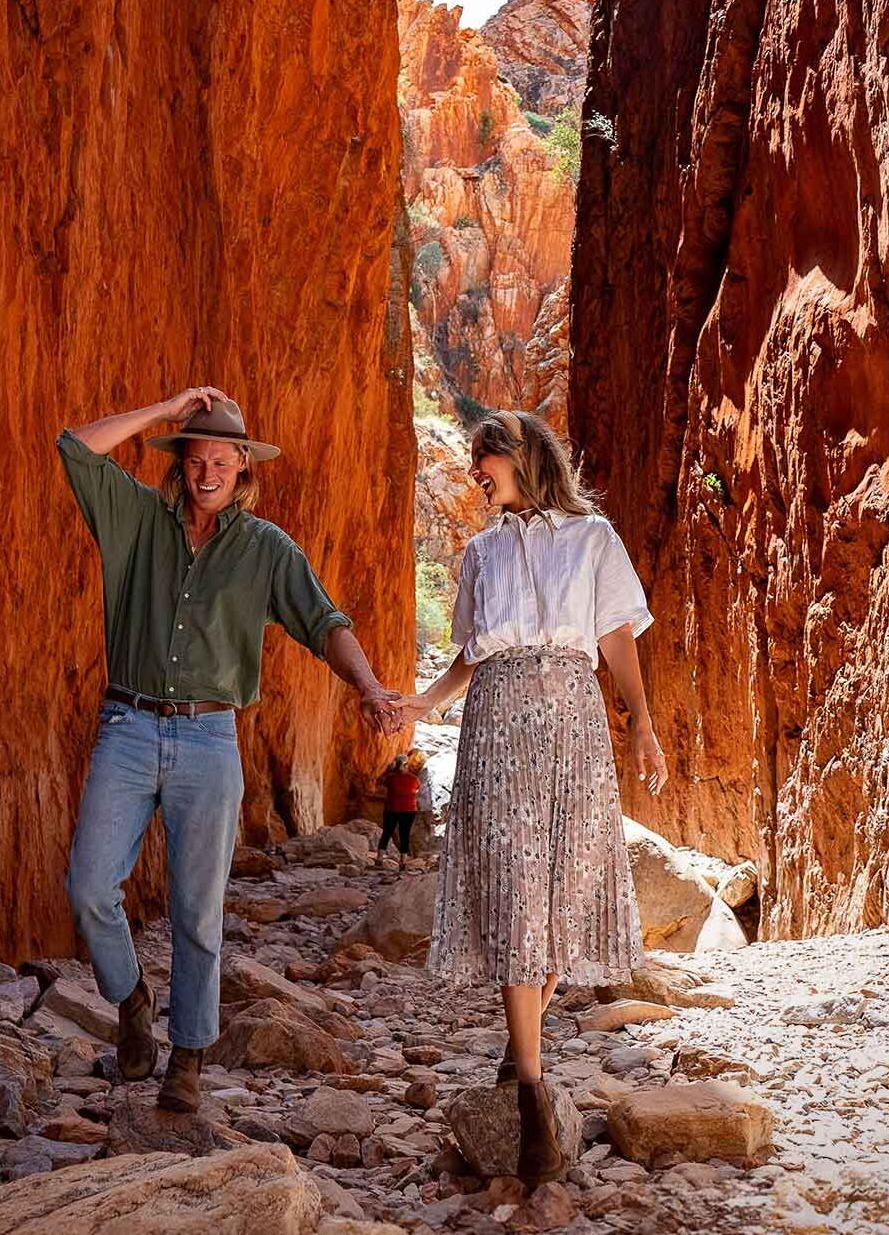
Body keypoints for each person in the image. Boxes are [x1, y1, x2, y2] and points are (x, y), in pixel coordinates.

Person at [57, 388, 401, 1112]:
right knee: (89, 886)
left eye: (222, 458)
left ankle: (186, 1055)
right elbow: (73, 446)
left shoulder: (265, 549)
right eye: (196, 457)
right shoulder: (135, 519)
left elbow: (324, 621)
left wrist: (368, 685)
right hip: (128, 725)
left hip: (210, 738)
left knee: (196, 909)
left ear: (244, 467)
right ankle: (129, 999)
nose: (208, 471)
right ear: (179, 463)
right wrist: (164, 412)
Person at [389, 408, 668, 1187]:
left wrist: (641, 726)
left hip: (575, 724)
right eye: (475, 461)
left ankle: (521, 1044)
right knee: (516, 896)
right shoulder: (478, 553)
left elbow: (617, 638)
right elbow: (469, 659)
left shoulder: (592, 539)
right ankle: (535, 1095)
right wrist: (420, 705)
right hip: (498, 725)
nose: (477, 473)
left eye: (486, 459)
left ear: (522, 456)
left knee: (567, 895)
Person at [377, 750, 425, 864]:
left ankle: (379, 858)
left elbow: (380, 783)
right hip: (409, 810)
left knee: (387, 833)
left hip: (392, 809)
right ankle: (403, 861)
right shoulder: (414, 779)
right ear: (407, 765)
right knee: (405, 834)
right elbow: (417, 789)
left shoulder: (390, 778)